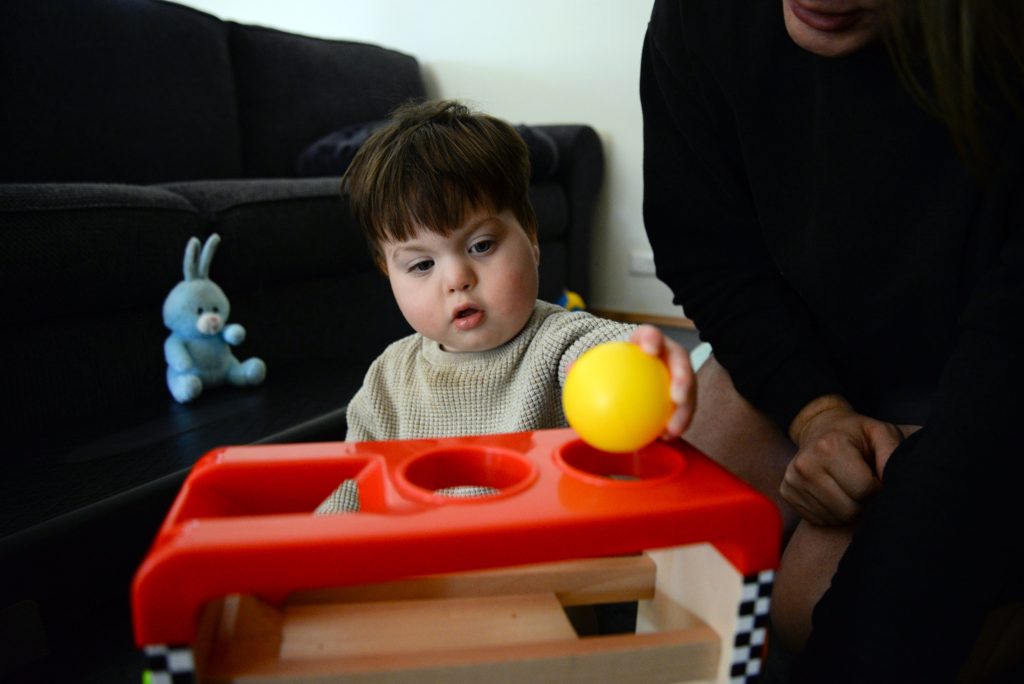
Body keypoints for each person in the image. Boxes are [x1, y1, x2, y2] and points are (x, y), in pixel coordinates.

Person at [641, 0, 1024, 681]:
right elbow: (708, 254)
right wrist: (818, 413)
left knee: (809, 601)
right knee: (676, 535)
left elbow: (998, 389)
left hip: (978, 385)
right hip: (818, 353)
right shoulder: (701, 20)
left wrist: (911, 468)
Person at [317, 99, 695, 513]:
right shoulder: (387, 380)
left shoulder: (559, 343)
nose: (457, 279)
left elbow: (606, 351)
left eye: (481, 246)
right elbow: (353, 488)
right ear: (389, 274)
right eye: (422, 264)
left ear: (531, 238)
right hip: (429, 569)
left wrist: (646, 359)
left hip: (543, 566)